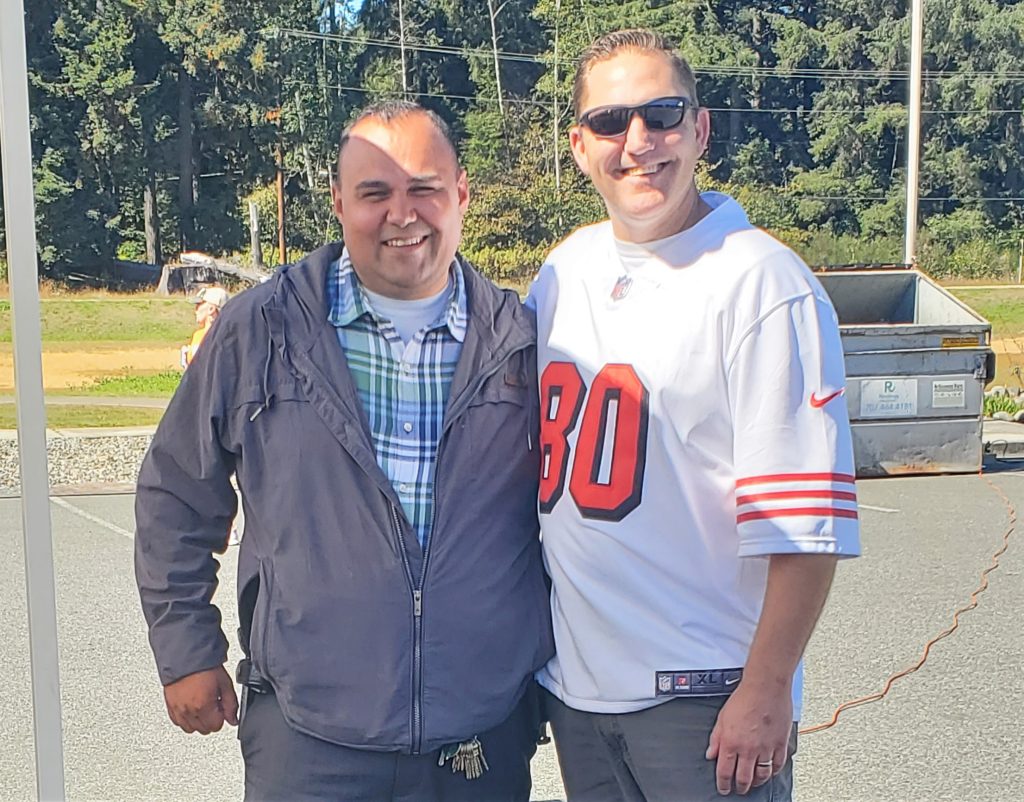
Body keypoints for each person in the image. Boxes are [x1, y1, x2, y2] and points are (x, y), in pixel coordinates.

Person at [136, 100, 553, 802]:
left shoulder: (524, 341)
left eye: (424, 187)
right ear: (337, 201)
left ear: (461, 194)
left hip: (479, 742)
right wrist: (186, 650)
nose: (403, 212)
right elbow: (178, 494)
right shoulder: (262, 329)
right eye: (374, 192)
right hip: (309, 739)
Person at [527, 29, 862, 802]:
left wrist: (766, 686)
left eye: (662, 114)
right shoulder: (564, 269)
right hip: (581, 693)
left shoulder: (761, 282)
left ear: (701, 128)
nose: (638, 142)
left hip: (706, 696)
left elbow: (805, 524)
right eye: (611, 123)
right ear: (579, 146)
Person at [181, 285, 229, 367]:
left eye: (199, 304)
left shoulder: (225, 339)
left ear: (211, 309)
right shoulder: (197, 335)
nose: (196, 309)